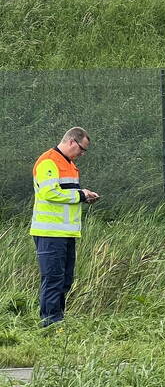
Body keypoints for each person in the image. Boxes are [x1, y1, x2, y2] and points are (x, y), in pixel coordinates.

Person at [31, 127, 100, 327]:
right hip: (49, 232)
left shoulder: (69, 164)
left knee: (65, 280)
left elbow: (66, 194)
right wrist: (80, 195)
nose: (82, 154)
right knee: (53, 278)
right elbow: (49, 193)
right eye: (81, 149)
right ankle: (50, 323)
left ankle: (57, 319)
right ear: (71, 141)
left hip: (65, 232)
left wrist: (84, 196)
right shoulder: (49, 161)